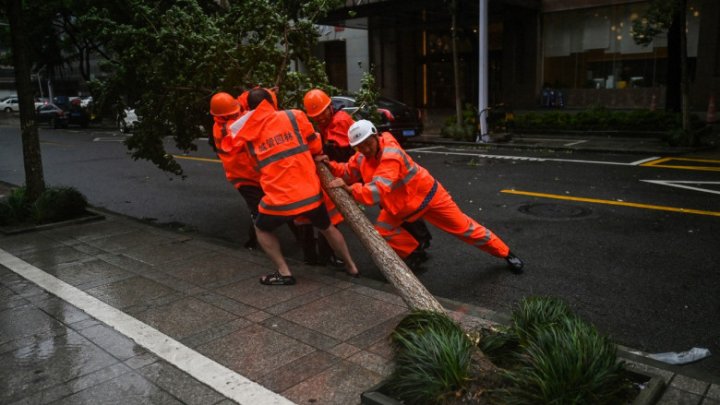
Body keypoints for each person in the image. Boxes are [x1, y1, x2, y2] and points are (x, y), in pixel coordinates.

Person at [324, 119, 524, 274]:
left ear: (376, 136)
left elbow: (377, 190)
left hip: (430, 199)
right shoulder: (361, 157)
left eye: (367, 144)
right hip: (401, 207)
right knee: (382, 233)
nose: (365, 150)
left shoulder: (391, 154)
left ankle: (505, 253)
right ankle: (414, 252)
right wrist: (328, 165)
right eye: (359, 147)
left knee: (466, 229)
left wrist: (351, 190)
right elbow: (347, 171)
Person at [221, 87, 360, 285]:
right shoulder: (295, 116)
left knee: (260, 228)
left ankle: (284, 272)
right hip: (310, 193)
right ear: (272, 102)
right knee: (327, 227)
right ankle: (351, 266)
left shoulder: (248, 135)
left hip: (280, 200)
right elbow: (315, 146)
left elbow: (255, 165)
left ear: (250, 109)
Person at [304, 89, 433, 270]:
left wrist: (333, 164)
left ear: (329, 107)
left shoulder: (339, 121)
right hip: (359, 166)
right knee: (391, 206)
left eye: (322, 113)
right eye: (315, 116)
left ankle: (419, 243)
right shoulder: (329, 122)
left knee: (393, 206)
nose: (319, 118)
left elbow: (341, 150)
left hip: (361, 167)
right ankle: (418, 243)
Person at [209, 91, 262, 249]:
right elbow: (251, 119)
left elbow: (243, 99)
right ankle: (252, 242)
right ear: (223, 117)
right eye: (233, 113)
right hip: (245, 179)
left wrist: (265, 93)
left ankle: (255, 240)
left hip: (255, 174)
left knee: (272, 205)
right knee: (259, 211)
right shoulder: (226, 130)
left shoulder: (231, 113)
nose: (237, 113)